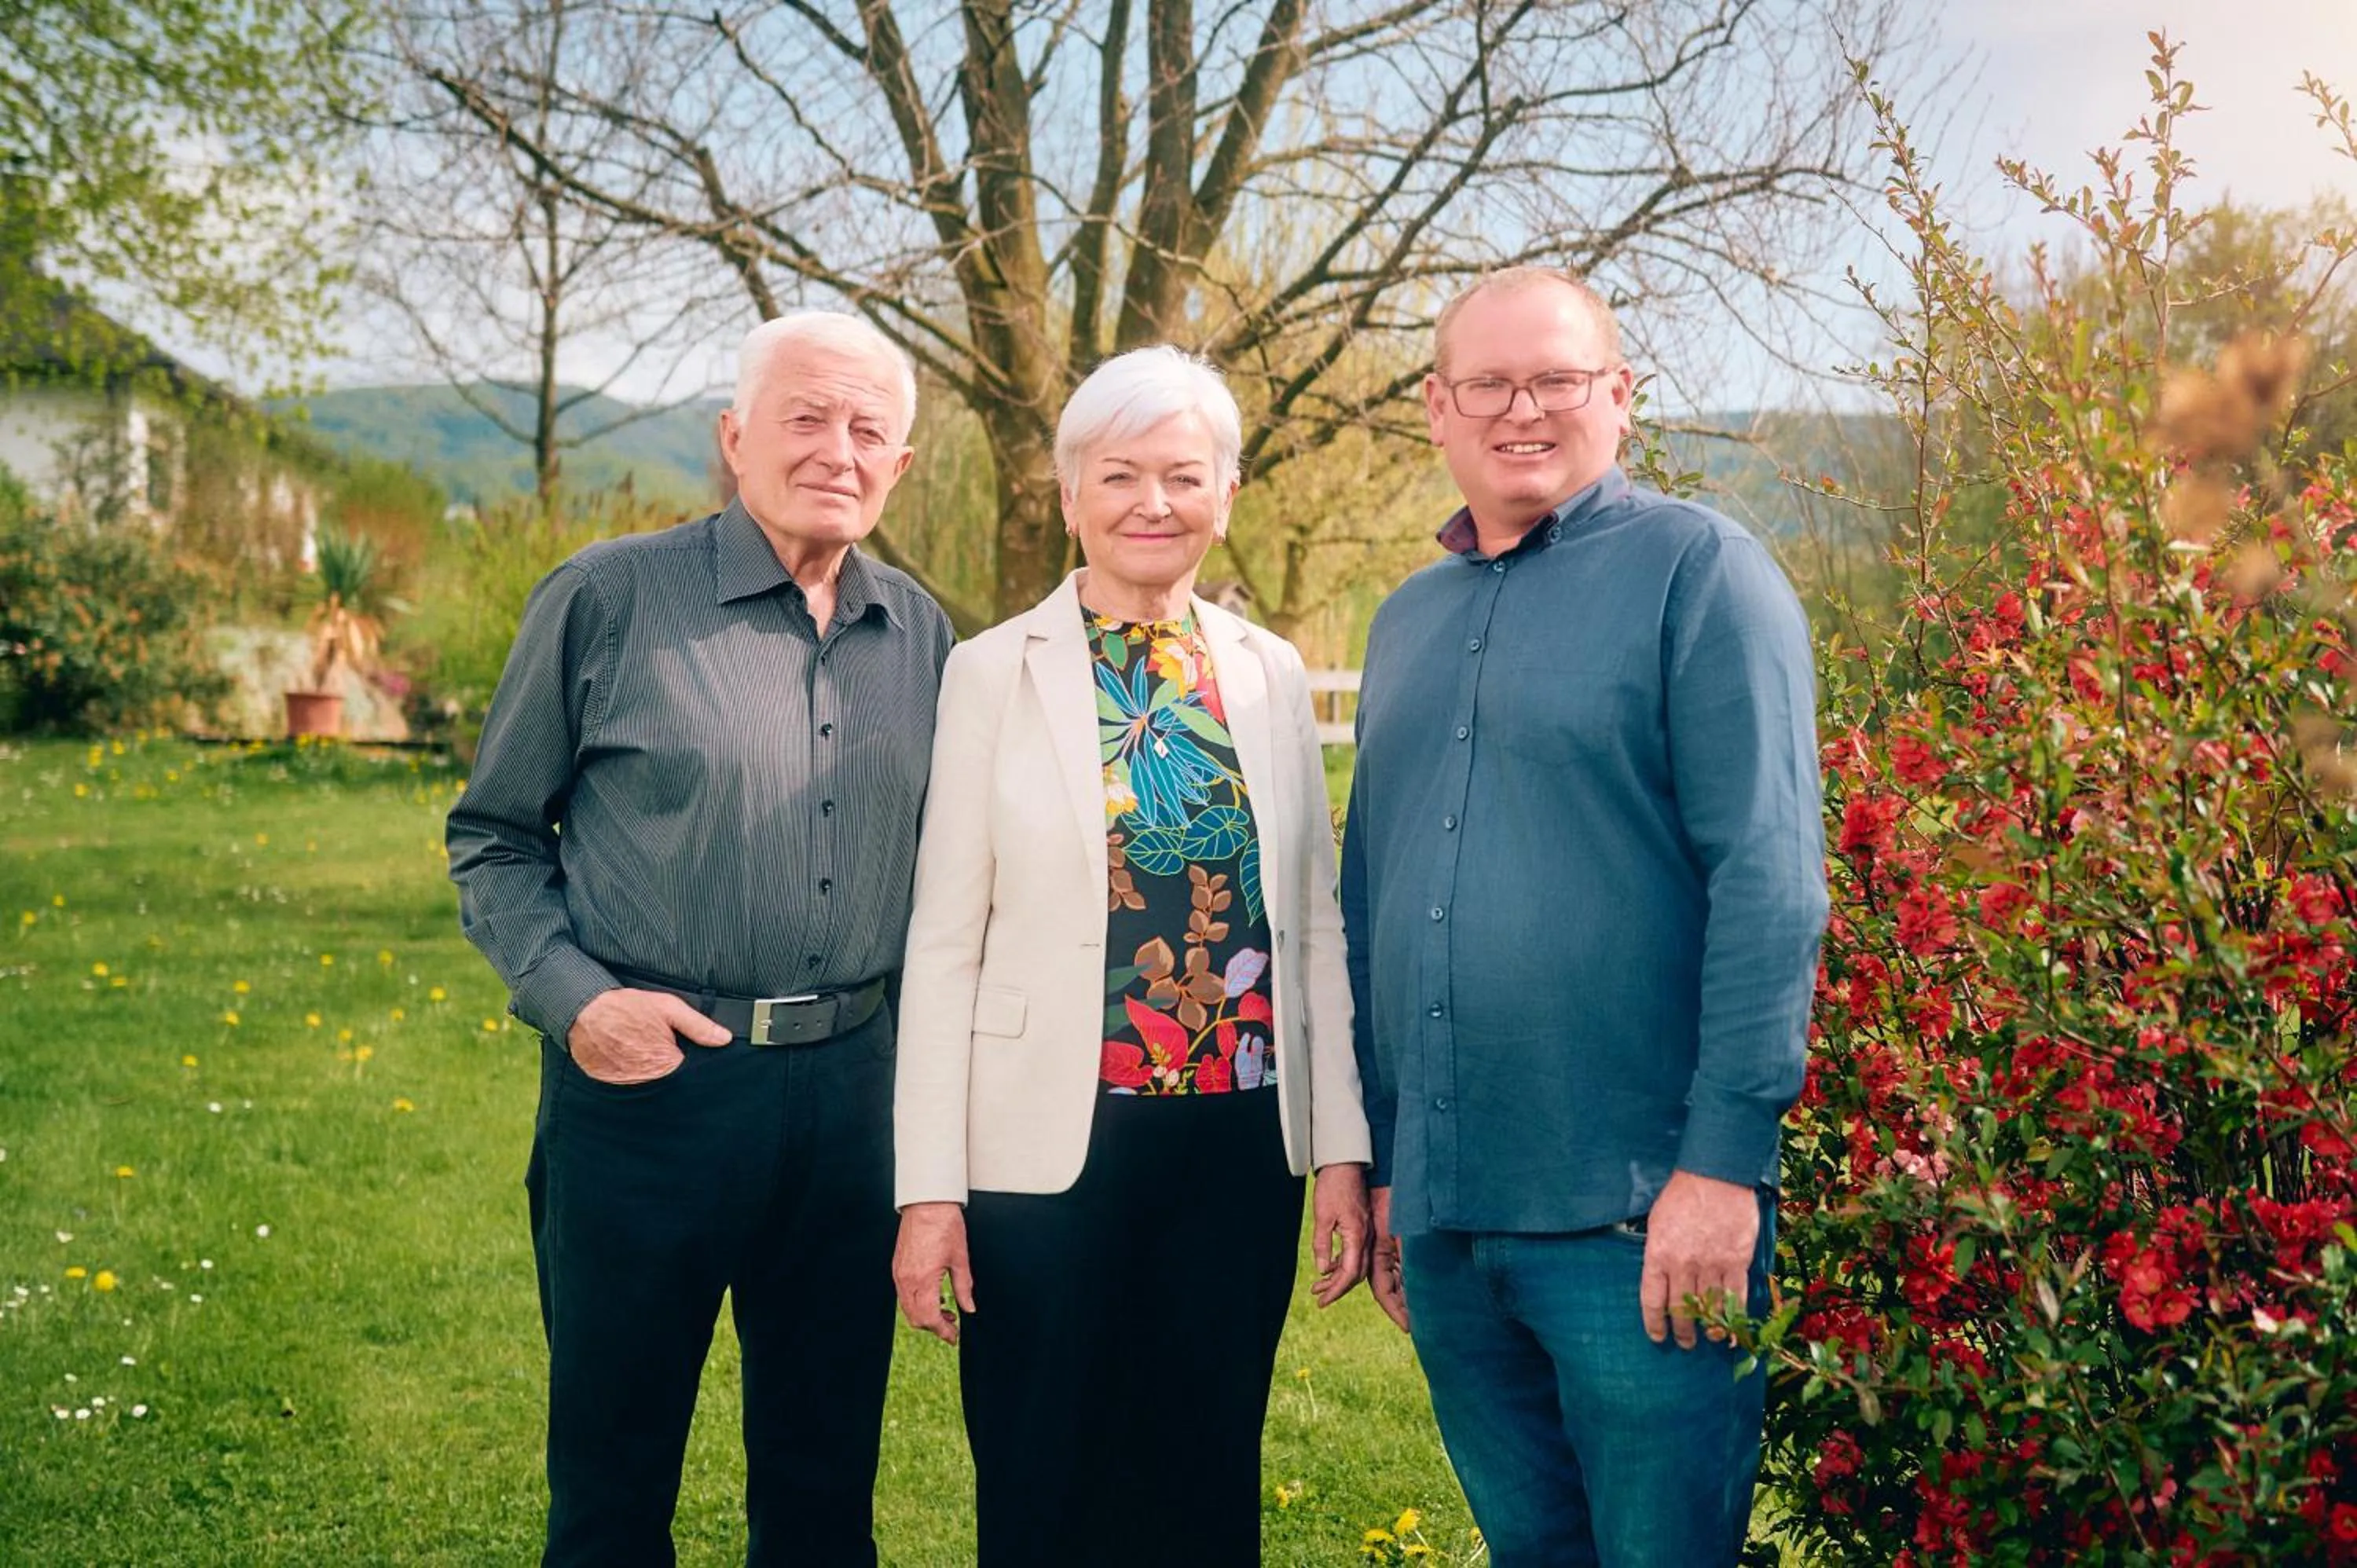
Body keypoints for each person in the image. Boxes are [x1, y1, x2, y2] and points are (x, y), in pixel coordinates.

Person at [445, 310, 952, 1568]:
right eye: (804, 417)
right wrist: (577, 1002)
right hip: (648, 1096)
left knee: (826, 1482)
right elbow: (495, 836)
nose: (837, 449)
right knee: (614, 1491)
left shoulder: (926, 634)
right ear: (735, 439)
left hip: (852, 1103)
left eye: (868, 429)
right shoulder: (606, 598)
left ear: (900, 465)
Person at [1340, 267, 1828, 1566]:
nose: (1523, 410)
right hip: (1451, 1227)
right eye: (1489, 384)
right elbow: (1370, 897)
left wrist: (1724, 1170)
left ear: (1619, 396)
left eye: (1557, 379)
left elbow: (1772, 886)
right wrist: (1394, 1169)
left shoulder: (1702, 576)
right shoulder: (1407, 621)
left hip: (1641, 1220)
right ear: (1438, 408)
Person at [890, 344, 1373, 1566]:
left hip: (1239, 1148)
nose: (1152, 502)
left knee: (1209, 1477)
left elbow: (1311, 923)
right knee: (1042, 1478)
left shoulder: (1263, 675)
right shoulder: (990, 672)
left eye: (1182, 474)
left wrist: (1342, 1154)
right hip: (1045, 1154)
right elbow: (943, 945)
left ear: (1225, 492)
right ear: (1069, 497)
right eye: (1119, 476)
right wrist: (928, 1191)